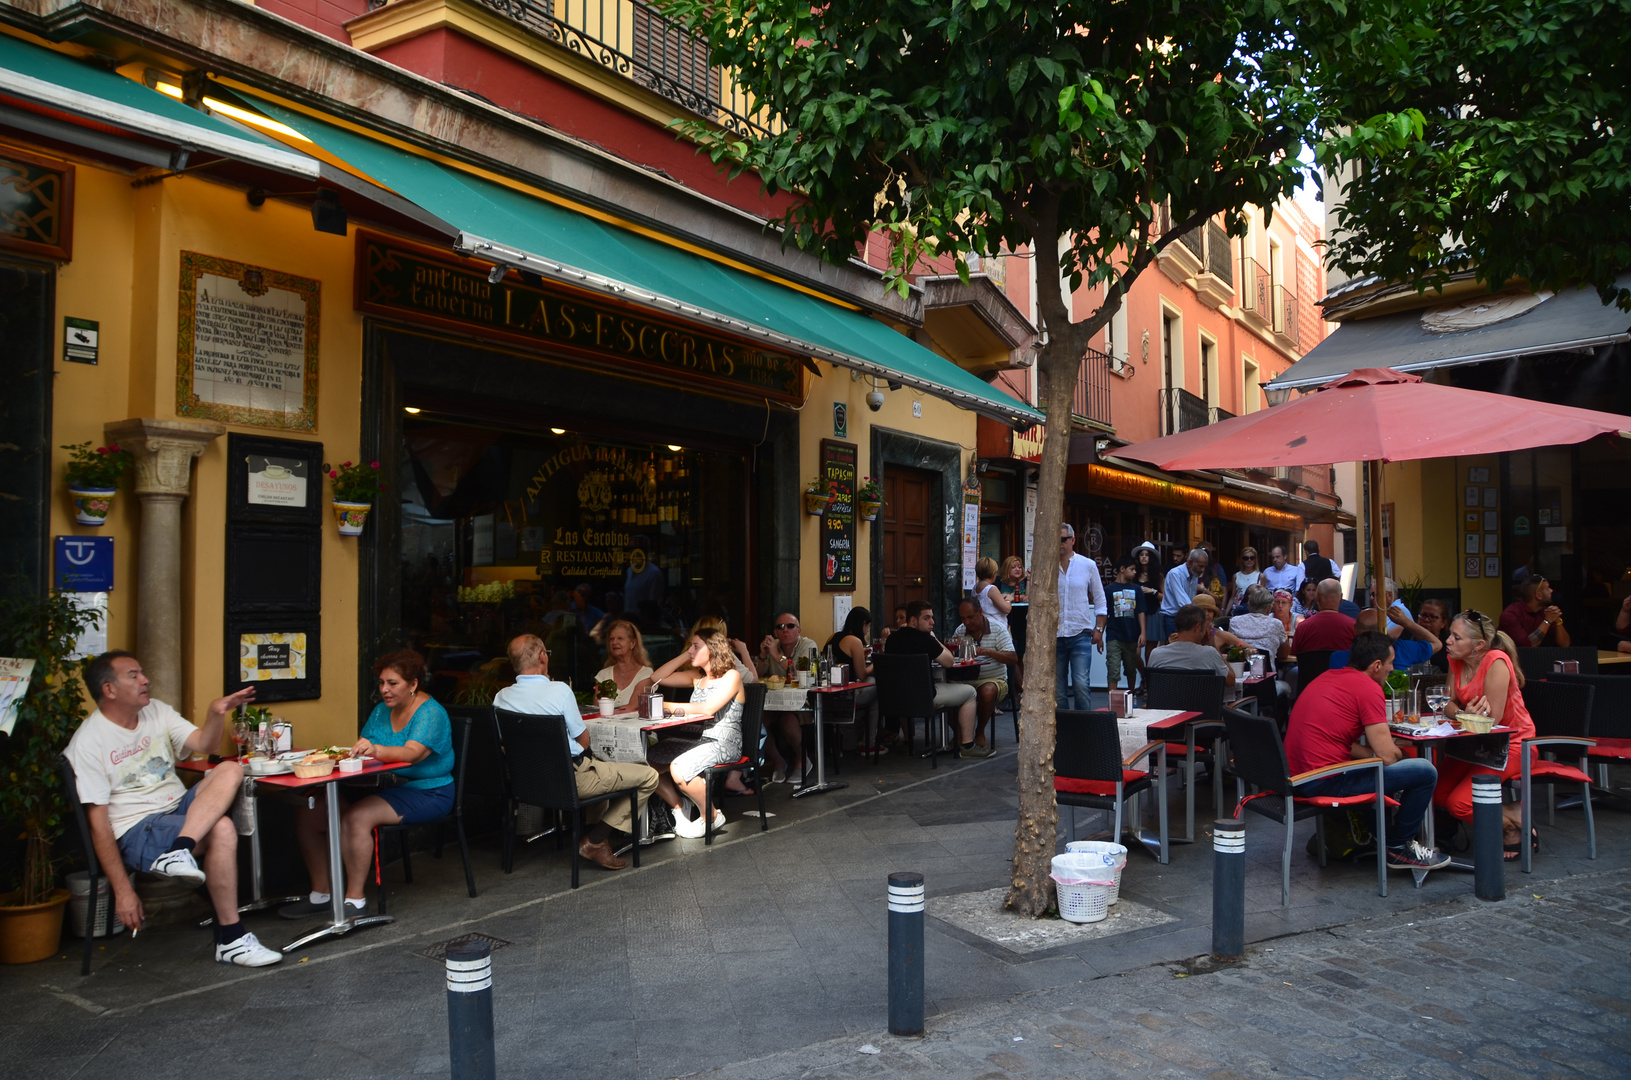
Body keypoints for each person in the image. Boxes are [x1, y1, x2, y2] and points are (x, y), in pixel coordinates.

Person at [65, 651, 281, 966]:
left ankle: (180, 848)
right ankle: (232, 939)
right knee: (221, 827)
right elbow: (99, 826)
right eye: (133, 675)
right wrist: (123, 890)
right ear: (109, 690)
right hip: (137, 828)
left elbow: (205, 745)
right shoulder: (88, 741)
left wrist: (215, 712)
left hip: (179, 811)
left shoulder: (156, 711)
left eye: (142, 672)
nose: (145, 679)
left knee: (232, 770)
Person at [284, 649, 455, 921]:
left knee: (357, 817)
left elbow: (411, 755)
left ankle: (355, 900)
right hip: (380, 786)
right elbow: (363, 749)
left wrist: (374, 750)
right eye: (381, 683)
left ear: (413, 685)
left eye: (392, 683)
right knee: (310, 810)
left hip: (427, 791)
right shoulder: (380, 711)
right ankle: (322, 894)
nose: (384, 690)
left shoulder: (431, 713)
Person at [1283, 631, 1451, 870]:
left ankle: (1380, 836)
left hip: (1298, 777)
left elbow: (1340, 741)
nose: (1392, 669)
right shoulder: (1368, 688)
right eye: (1391, 663)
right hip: (1324, 781)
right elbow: (1387, 756)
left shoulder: (1328, 676)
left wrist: (1381, 755)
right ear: (1376, 665)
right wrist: (1400, 753)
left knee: (1387, 766)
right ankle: (1397, 847)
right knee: (1425, 771)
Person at [493, 635, 658, 868]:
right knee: (649, 776)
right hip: (570, 779)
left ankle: (592, 832)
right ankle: (596, 840)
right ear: (542, 657)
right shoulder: (559, 691)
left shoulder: (501, 698)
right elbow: (583, 740)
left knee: (597, 765)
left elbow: (504, 741)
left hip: (527, 783)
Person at [1437, 611, 1538, 858]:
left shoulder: (1496, 661)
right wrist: (1462, 715)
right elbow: (1445, 703)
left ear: (1478, 645)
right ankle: (1511, 814)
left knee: (1460, 804)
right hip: (1474, 742)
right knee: (1436, 793)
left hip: (1512, 743)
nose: (1448, 641)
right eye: (1450, 634)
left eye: (1456, 637)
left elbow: (1494, 720)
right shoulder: (1456, 661)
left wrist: (1462, 715)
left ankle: (1511, 823)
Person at [643, 630, 748, 838]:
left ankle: (711, 815)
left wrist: (665, 706)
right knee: (645, 764)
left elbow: (708, 709)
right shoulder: (696, 678)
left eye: (696, 646)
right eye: (690, 646)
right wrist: (687, 654)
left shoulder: (732, 676)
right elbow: (656, 677)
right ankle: (678, 807)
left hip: (723, 741)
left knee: (679, 768)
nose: (691, 650)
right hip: (693, 740)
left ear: (713, 649)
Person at [885, 600, 985, 758]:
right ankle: (967, 745)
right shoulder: (926, 640)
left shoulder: (891, 639)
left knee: (904, 688)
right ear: (913, 621)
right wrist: (934, 638)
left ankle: (908, 741)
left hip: (896, 699)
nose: (932, 622)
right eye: (926, 618)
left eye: (932, 617)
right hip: (925, 698)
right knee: (970, 692)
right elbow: (949, 661)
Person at [753, 612, 818, 784]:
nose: (785, 630)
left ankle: (802, 760)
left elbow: (801, 675)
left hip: (802, 702)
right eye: (780, 627)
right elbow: (756, 676)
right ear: (775, 632)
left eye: (790, 626)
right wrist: (762, 656)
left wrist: (777, 656)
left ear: (799, 630)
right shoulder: (773, 647)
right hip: (774, 702)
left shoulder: (808, 645)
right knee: (757, 723)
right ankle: (778, 761)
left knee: (788, 721)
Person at [952, 598, 1018, 748]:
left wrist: (988, 652)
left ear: (980, 612)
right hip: (966, 679)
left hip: (993, 679)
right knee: (945, 689)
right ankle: (960, 733)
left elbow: (1013, 657)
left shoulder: (997, 629)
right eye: (963, 618)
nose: (966, 622)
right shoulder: (960, 630)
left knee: (987, 690)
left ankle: (979, 732)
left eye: (970, 617)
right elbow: (953, 655)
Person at [1056, 524, 1108, 711]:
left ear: (1072, 540)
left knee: (1081, 684)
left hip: (1080, 633)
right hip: (1054, 635)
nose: (1059, 543)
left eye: (1063, 539)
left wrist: (1099, 629)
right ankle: (1062, 733)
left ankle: (1083, 731)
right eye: (1056, 539)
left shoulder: (1087, 565)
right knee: (1057, 690)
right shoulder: (1047, 566)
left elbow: (1100, 598)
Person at [825, 606, 882, 754]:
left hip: (829, 693)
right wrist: (877, 662)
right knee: (877, 687)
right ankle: (869, 744)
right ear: (862, 624)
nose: (868, 630)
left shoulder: (834, 636)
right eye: (868, 626)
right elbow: (862, 674)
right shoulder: (855, 641)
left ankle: (862, 739)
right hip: (846, 694)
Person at [1146, 604, 1232, 684]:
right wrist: (1213, 646)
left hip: (1164, 700)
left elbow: (1151, 685)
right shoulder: (1210, 653)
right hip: (1200, 700)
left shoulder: (1156, 654)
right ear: (1198, 627)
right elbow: (1231, 681)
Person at [1103, 557, 1148, 691]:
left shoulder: (1137, 589)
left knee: (1130, 668)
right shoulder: (1109, 590)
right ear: (1122, 569)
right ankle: (1112, 701)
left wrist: (1143, 632)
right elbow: (1105, 613)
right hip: (1114, 634)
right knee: (1113, 669)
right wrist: (1100, 632)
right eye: (1132, 569)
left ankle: (1131, 696)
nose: (1134, 572)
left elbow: (1140, 611)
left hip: (1132, 635)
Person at [592, 618, 655, 708]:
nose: (614, 642)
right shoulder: (603, 675)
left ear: (632, 643)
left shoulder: (646, 674)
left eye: (620, 639)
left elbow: (632, 707)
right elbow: (597, 709)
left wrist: (609, 711)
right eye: (611, 639)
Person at [1498, 576, 1572, 648]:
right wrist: (1547, 621)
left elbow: (1565, 644)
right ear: (1538, 595)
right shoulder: (1511, 614)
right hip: (1514, 657)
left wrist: (1557, 621)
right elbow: (1527, 646)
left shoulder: (1546, 612)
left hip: (1541, 657)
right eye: (1547, 588)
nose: (1551, 590)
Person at [1156, 547, 1208, 648]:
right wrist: (1201, 617)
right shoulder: (1175, 574)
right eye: (1200, 566)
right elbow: (1184, 602)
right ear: (1190, 562)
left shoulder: (1194, 574)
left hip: (1188, 617)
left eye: (1204, 567)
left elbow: (1191, 599)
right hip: (1173, 618)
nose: (1202, 570)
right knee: (1175, 650)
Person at [1291, 578, 1357, 654]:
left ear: (1317, 598)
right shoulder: (1353, 626)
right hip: (1341, 666)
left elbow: (1294, 653)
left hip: (1312, 666)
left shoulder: (1302, 627)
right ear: (1341, 598)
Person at [1230, 585, 1290, 668]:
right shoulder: (1276, 624)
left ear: (1249, 605)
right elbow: (1283, 655)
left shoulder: (1234, 621)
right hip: (1266, 678)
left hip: (1239, 674)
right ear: (1269, 608)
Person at [1133, 542, 1165, 667]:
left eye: (1147, 555)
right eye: (1142, 554)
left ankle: (1148, 679)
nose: (1144, 557)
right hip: (1136, 614)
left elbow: (1165, 597)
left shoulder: (1158, 576)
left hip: (1152, 613)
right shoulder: (1134, 575)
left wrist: (1152, 591)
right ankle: (1144, 675)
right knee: (1134, 652)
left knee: (1150, 650)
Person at [1415, 598, 1455, 672]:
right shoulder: (1406, 639)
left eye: (1433, 617)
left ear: (1443, 623)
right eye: (1423, 615)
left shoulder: (1450, 647)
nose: (1426, 620)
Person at [973, 556, 1013, 629]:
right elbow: (1006, 609)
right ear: (993, 573)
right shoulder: (991, 589)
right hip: (995, 627)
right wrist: (1008, 600)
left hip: (983, 625)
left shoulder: (975, 587)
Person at [1231, 547, 1266, 614]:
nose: (1249, 560)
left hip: (1254, 609)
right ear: (1242, 560)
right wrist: (1224, 611)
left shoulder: (1261, 576)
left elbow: (1263, 598)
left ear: (1255, 559)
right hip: (1238, 609)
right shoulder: (1236, 576)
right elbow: (1233, 597)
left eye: (1252, 558)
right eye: (1246, 558)